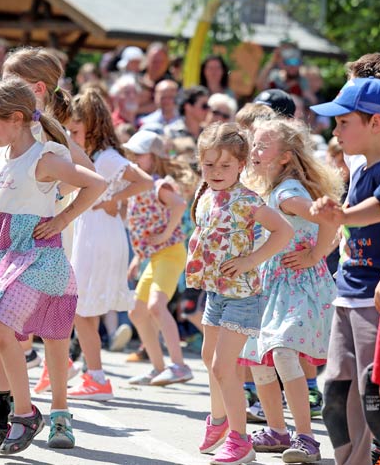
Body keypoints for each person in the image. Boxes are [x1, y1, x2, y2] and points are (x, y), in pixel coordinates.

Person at [0, 77, 105, 456]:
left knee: (4, 328)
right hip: (4, 251)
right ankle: (8, 416)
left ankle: (28, 413)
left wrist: (64, 219)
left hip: (37, 255)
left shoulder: (44, 158)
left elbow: (96, 183)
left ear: (17, 118)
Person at [0, 46, 93, 448]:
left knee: (54, 334)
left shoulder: (50, 132)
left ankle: (59, 413)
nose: (2, 86)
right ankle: (7, 411)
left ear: (36, 89)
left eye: (9, 80)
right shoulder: (10, 127)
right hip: (12, 240)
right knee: (5, 326)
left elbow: (88, 175)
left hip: (48, 240)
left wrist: (60, 212)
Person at [187, 122, 293, 465]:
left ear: (241, 165)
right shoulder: (206, 195)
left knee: (223, 366)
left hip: (243, 294)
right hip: (216, 292)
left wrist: (252, 260)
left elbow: (283, 231)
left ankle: (240, 439)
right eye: (209, 164)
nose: (216, 172)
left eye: (225, 165)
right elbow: (206, 232)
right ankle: (219, 421)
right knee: (208, 357)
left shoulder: (248, 200)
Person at [308, 78, 380, 465]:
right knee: (334, 389)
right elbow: (348, 228)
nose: (335, 130)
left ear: (376, 123)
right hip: (346, 291)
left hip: (373, 299)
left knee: (373, 393)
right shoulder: (360, 171)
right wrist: (330, 220)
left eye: (344, 122)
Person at [242, 117, 344, 462]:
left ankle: (306, 438)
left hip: (296, 285)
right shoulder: (273, 189)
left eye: (263, 145)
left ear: (285, 156)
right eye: (254, 143)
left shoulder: (287, 193)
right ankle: (276, 431)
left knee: (283, 353)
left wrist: (317, 253)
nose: (255, 150)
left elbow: (331, 218)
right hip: (272, 284)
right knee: (259, 357)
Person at [65, 89, 151, 401]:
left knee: (82, 306)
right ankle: (90, 372)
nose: (71, 134)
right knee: (83, 306)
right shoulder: (91, 156)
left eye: (76, 128)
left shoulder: (107, 158)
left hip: (100, 233)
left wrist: (114, 199)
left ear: (92, 124)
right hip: (93, 231)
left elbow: (145, 181)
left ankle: (96, 376)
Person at [123, 130, 197, 387]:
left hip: (171, 251)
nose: (132, 160)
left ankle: (179, 365)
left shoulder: (158, 185)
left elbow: (177, 205)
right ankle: (157, 367)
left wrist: (166, 232)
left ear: (154, 158)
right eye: (130, 156)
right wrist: (138, 258)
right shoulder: (140, 186)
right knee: (137, 311)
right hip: (154, 256)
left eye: (138, 156)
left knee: (155, 306)